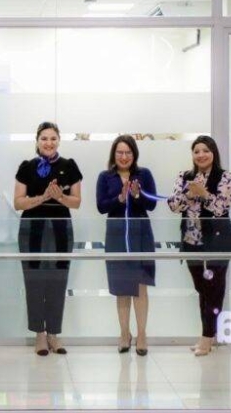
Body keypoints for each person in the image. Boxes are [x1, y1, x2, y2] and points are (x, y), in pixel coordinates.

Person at [14, 121, 82, 356]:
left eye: (53, 138)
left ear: (59, 141)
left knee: (57, 280)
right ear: (37, 141)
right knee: (34, 281)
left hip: (61, 230)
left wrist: (60, 196)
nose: (49, 142)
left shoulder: (69, 166)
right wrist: (42, 197)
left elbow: (77, 202)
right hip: (32, 230)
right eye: (44, 138)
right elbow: (18, 202)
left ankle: (54, 333)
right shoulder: (27, 167)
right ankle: (39, 334)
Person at [167, 135, 231, 356]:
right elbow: (173, 205)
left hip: (218, 242)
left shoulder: (225, 177)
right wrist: (190, 192)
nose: (201, 155)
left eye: (205, 150)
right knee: (202, 289)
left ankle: (206, 339)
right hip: (191, 242)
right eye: (196, 151)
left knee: (214, 290)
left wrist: (204, 193)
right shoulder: (184, 177)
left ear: (213, 153)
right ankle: (209, 335)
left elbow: (221, 208)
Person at [96, 135, 157, 356]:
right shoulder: (105, 177)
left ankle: (142, 334)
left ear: (134, 154)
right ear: (114, 154)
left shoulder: (144, 174)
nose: (124, 157)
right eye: (120, 152)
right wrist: (119, 200)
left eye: (128, 153)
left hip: (141, 235)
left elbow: (151, 204)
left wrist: (137, 195)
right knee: (122, 288)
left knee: (140, 287)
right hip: (116, 235)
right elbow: (101, 207)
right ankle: (124, 334)